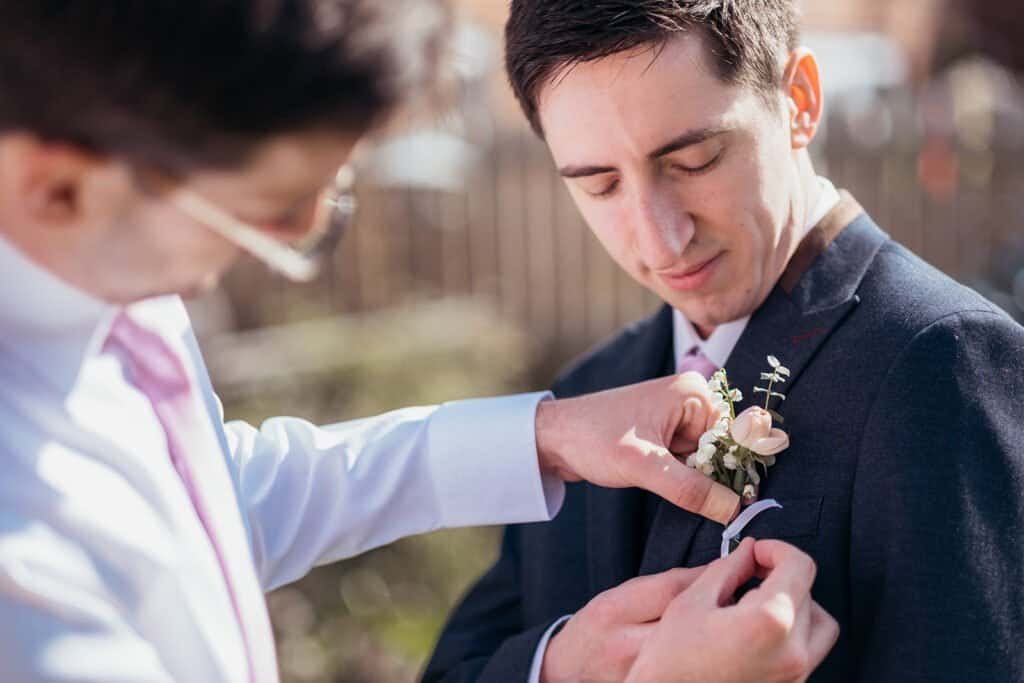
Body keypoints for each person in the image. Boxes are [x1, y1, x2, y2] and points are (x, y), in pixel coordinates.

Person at [0, 2, 834, 681]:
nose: (290, 252)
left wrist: (539, 436)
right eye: (277, 209)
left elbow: (208, 495)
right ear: (57, 186)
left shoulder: (110, 260)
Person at [425, 1, 1024, 682]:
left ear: (798, 100)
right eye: (600, 185)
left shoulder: (944, 361)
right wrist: (562, 664)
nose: (658, 239)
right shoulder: (584, 398)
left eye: (694, 160)